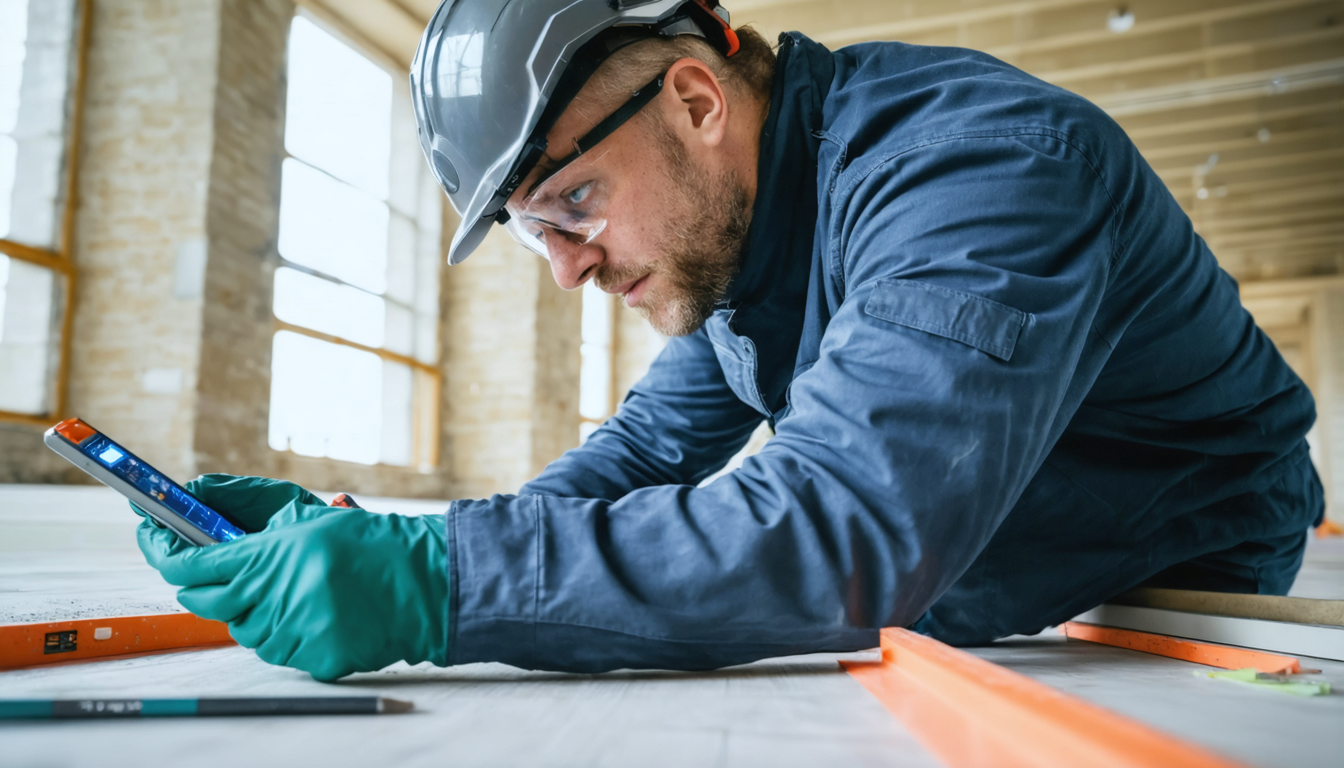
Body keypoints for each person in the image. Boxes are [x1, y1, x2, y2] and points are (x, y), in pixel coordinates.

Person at [137, 0, 1324, 681]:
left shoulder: (979, 174)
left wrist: (438, 584)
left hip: (1174, 590)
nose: (568, 268)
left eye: (575, 204)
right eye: (533, 232)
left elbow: (844, 531)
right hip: (989, 570)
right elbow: (640, 455)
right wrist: (387, 544)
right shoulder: (749, 240)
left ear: (697, 101)